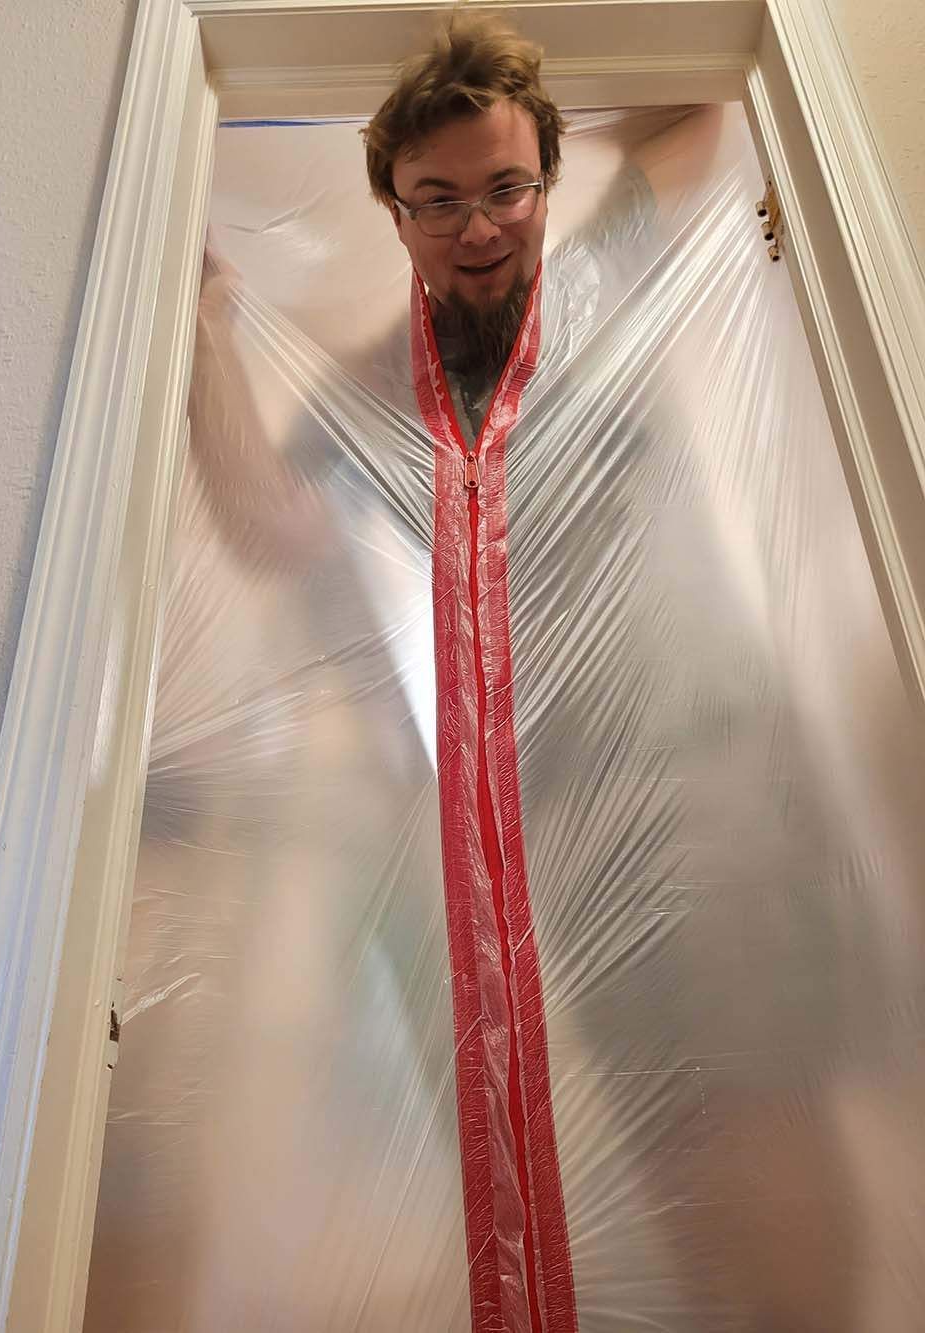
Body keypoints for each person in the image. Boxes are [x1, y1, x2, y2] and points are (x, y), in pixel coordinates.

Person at [86, 12, 914, 1333]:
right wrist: (207, 324)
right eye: (439, 199)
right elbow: (272, 528)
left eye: (508, 188)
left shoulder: (603, 271)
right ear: (395, 210)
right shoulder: (375, 387)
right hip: (559, 823)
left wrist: (544, 53)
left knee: (768, 1134)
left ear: (548, 180)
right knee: (678, 1159)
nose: (478, 228)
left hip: (715, 785)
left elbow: (694, 106)